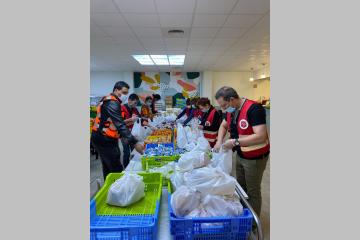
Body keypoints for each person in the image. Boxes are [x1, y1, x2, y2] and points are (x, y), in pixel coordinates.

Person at [213, 86, 270, 218]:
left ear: (232, 99)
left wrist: (234, 142)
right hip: (240, 154)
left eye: (224, 105)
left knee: (253, 191)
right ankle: (244, 215)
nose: (223, 109)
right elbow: (223, 125)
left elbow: (261, 136)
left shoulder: (254, 109)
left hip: (255, 157)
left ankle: (253, 223)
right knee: (241, 187)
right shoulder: (230, 110)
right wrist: (219, 140)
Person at [91, 81, 144, 180]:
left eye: (126, 94)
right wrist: (135, 143)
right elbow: (120, 125)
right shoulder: (112, 102)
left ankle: (110, 187)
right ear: (116, 90)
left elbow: (116, 122)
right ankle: (118, 189)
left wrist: (129, 124)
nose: (125, 96)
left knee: (108, 166)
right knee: (116, 167)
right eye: (123, 93)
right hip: (104, 138)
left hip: (102, 137)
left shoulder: (108, 100)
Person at [120, 93, 141, 169]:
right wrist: (131, 119)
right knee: (126, 152)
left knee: (134, 151)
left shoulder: (134, 109)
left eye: (136, 103)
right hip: (124, 134)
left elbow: (139, 117)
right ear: (129, 100)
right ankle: (126, 168)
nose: (135, 105)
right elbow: (120, 122)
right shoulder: (122, 108)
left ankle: (133, 167)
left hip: (133, 133)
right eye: (134, 103)